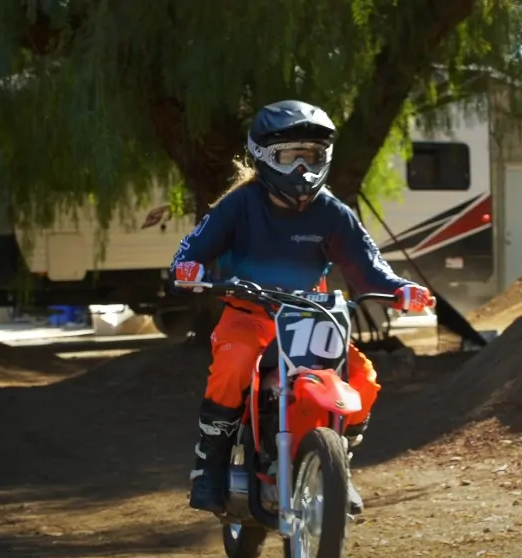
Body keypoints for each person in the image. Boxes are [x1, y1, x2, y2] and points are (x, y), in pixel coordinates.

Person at [170, 99, 435, 516]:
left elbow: (368, 265)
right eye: (289, 156)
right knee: (235, 365)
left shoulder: (332, 212)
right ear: (262, 157)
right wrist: (188, 268)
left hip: (310, 317)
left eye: (311, 156)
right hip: (249, 314)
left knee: (362, 377)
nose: (302, 169)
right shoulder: (239, 204)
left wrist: (400, 288)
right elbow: (194, 249)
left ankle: (336, 465)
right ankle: (211, 466)